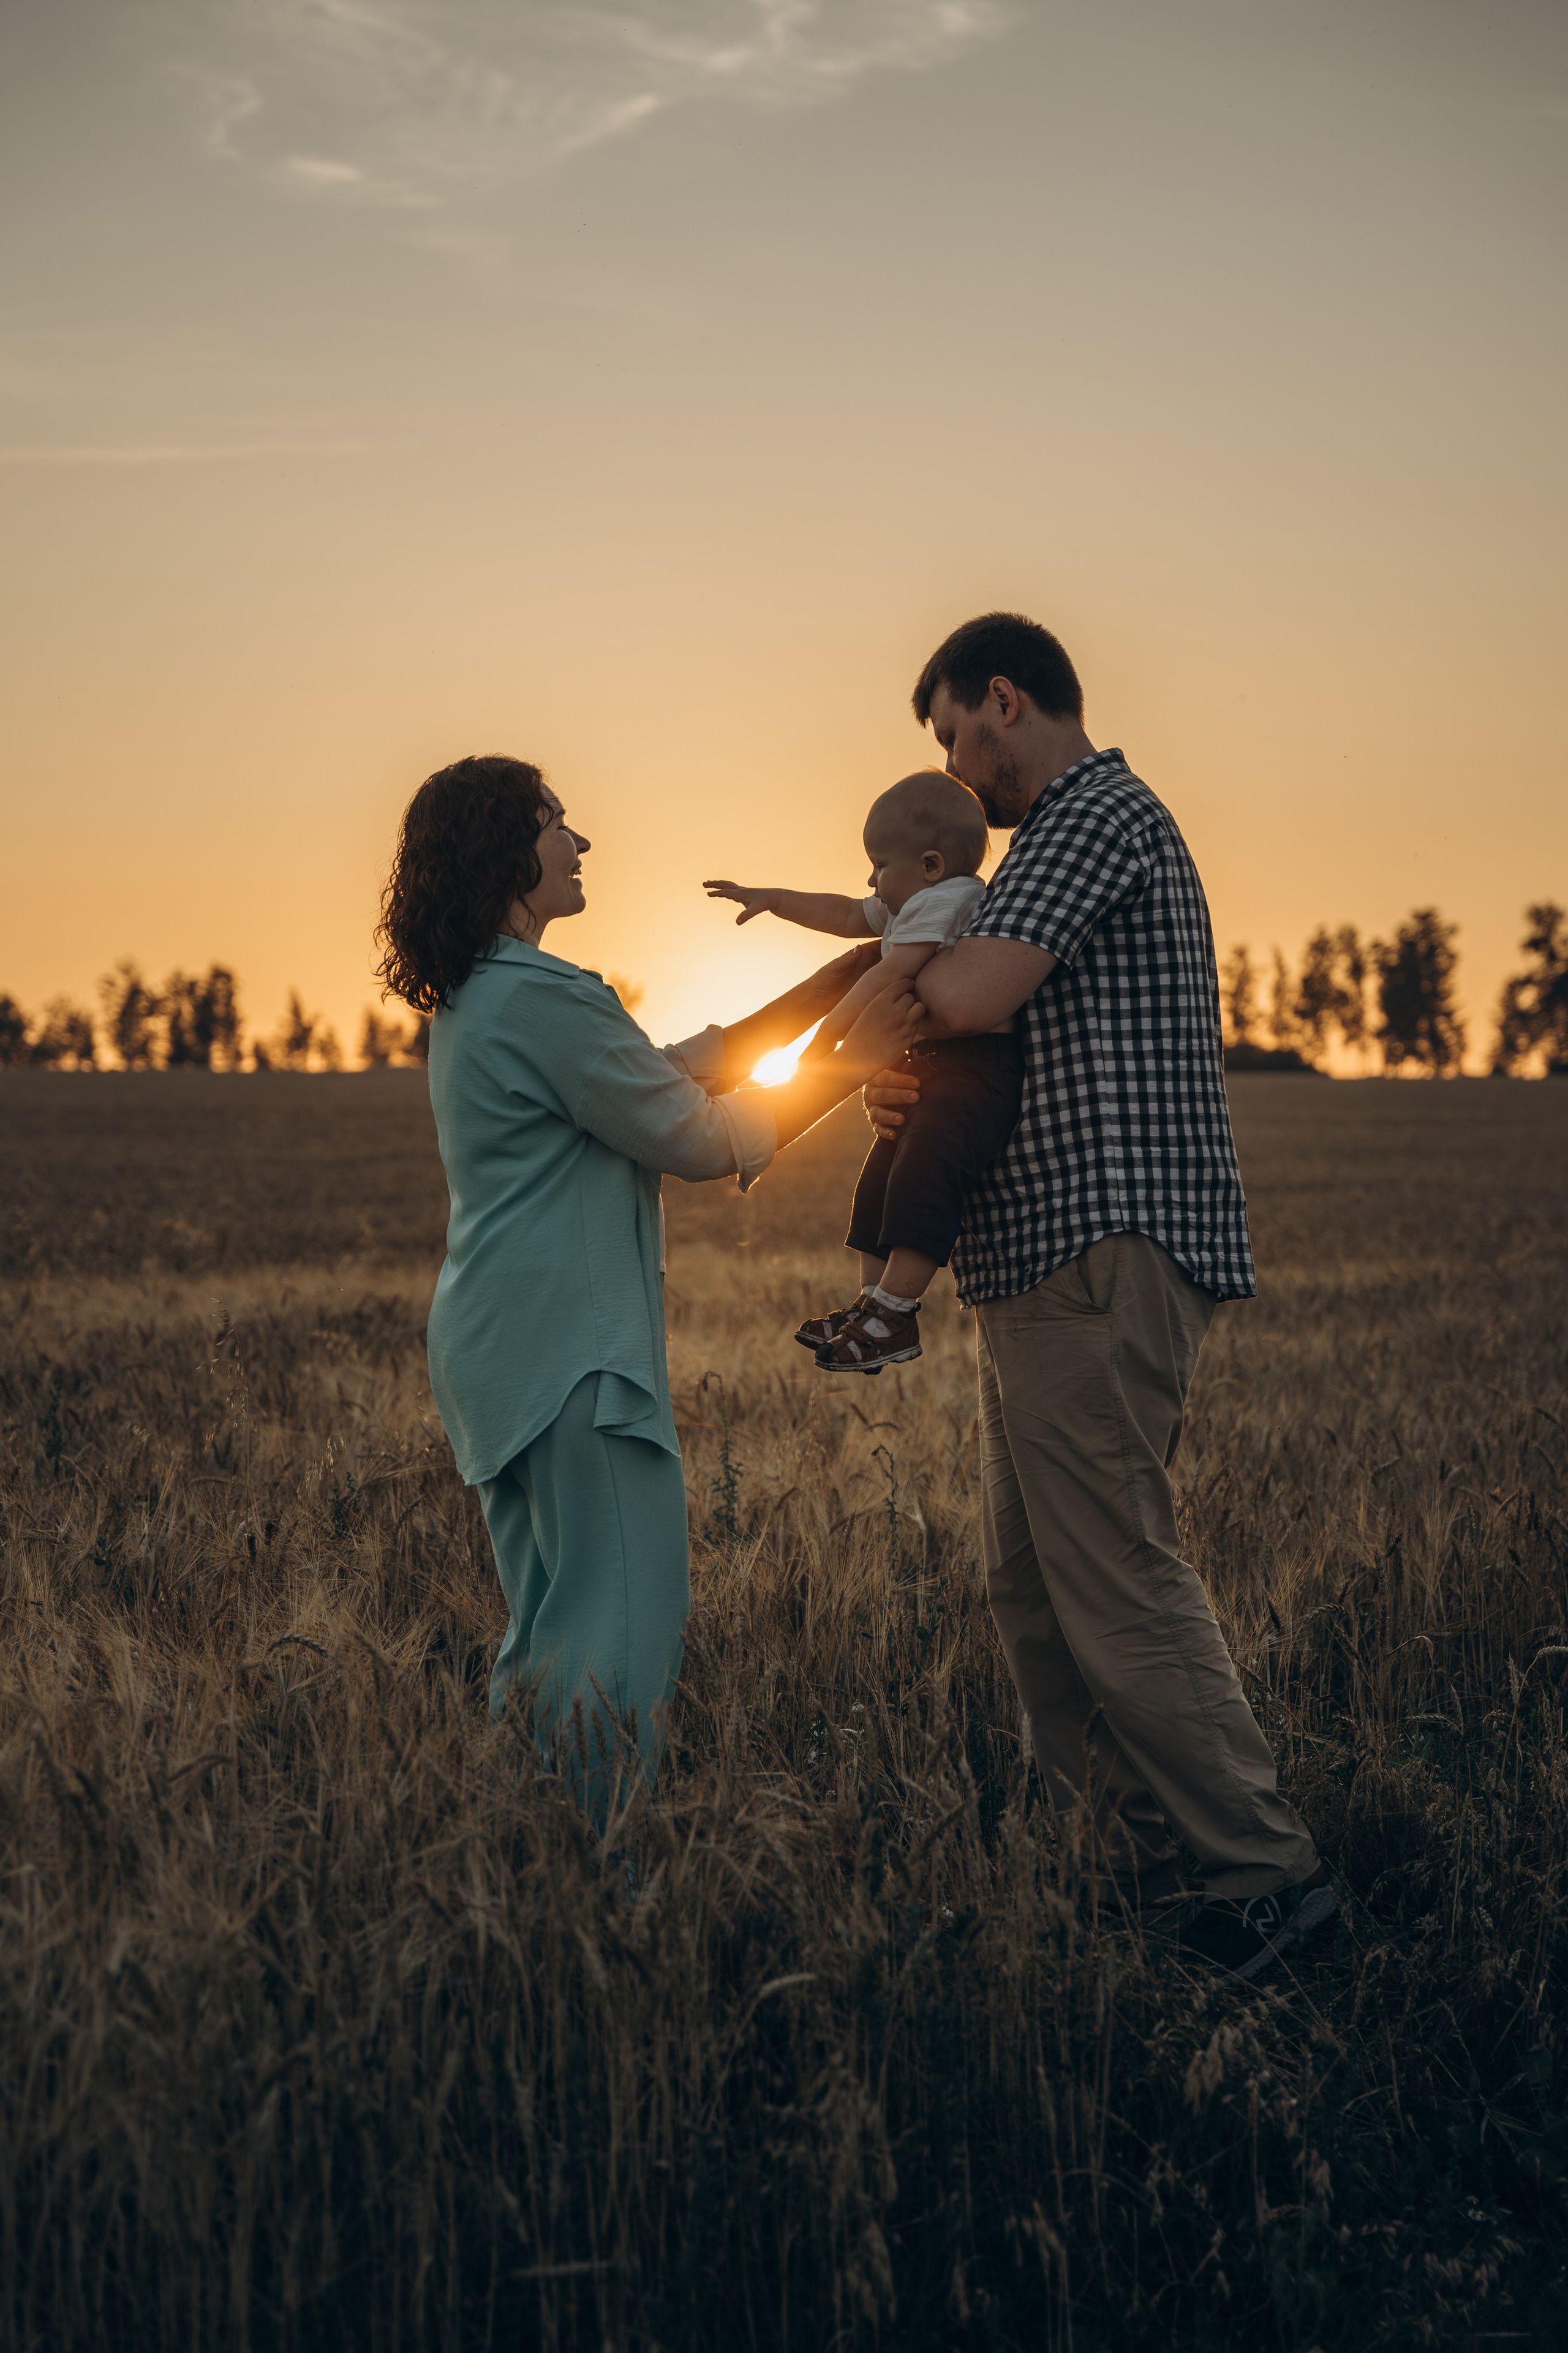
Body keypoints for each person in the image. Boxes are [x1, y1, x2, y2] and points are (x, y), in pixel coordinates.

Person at [863, 613, 1336, 1982]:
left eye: (956, 735)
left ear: (1004, 700)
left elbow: (966, 994)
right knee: (1033, 1591)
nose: (959, 773)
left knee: (1113, 1572)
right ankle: (1129, 1866)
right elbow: (963, 1022)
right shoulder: (1050, 843)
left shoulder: (1085, 815)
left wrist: (920, 1002)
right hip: (1038, 1258)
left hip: (1099, 1244)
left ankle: (1264, 1875)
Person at [375, 753, 921, 1820]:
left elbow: (659, 1067)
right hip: (572, 1353)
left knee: (550, 1625)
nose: (579, 842)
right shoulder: (548, 995)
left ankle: (522, 1852)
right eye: (556, 824)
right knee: (625, 1627)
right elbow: (695, 1133)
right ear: (506, 852)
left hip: (497, 1353)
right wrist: (850, 1065)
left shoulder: (479, 998)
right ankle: (599, 1874)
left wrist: (831, 991)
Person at [705, 771, 1021, 1372]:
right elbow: (849, 913)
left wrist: (825, 1045)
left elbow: (881, 975)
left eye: (878, 865)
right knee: (880, 1176)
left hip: (974, 1071)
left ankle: (896, 1309)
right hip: (930, 1065)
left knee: (924, 1171)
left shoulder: (952, 900)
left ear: (930, 864)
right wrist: (776, 898)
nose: (871, 879)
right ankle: (869, 1306)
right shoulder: (918, 898)